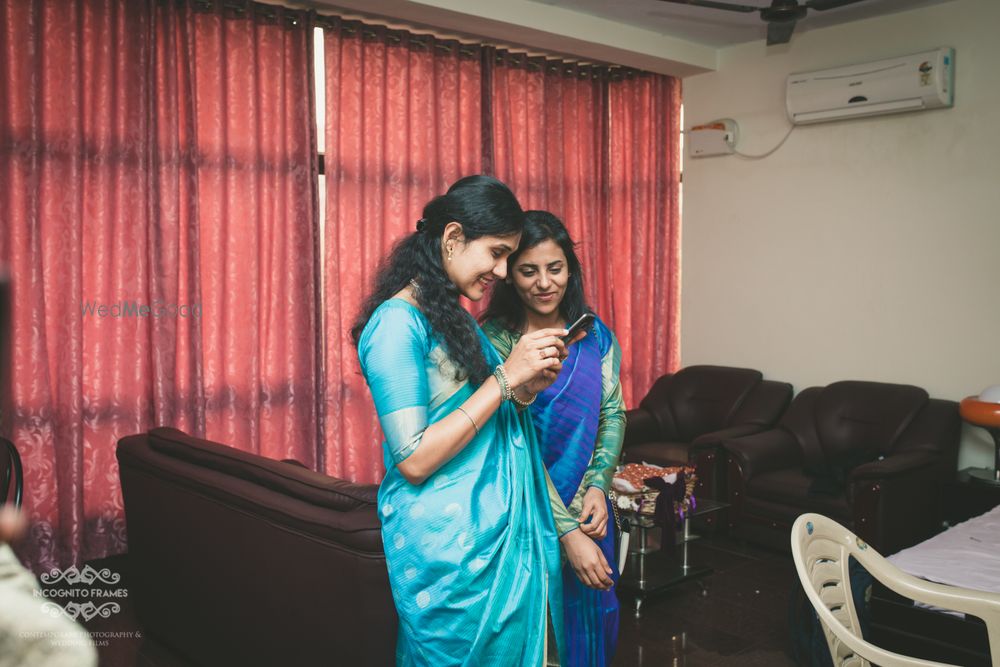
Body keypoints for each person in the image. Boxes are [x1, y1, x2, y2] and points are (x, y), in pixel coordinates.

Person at [352, 176, 611, 666]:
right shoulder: (395, 324)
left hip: (497, 532)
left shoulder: (453, 315)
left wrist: (527, 385)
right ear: (452, 239)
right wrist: (506, 379)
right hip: (454, 550)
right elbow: (413, 459)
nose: (502, 269)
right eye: (496, 252)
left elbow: (491, 411)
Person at [481, 211, 625, 667]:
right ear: (508, 275)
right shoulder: (494, 343)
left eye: (555, 268)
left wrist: (600, 484)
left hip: (589, 511)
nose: (544, 283)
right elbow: (509, 441)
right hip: (522, 518)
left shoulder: (594, 334)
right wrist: (565, 531)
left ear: (570, 269)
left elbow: (612, 412)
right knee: (537, 642)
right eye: (528, 270)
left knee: (591, 631)